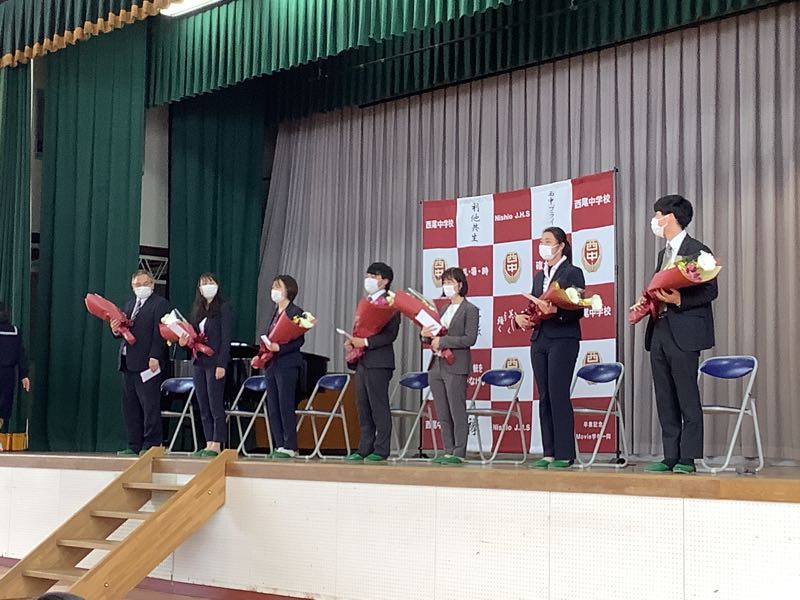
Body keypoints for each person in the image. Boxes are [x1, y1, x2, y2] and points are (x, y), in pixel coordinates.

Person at [643, 195, 718, 474]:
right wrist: (646, 303)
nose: (655, 221)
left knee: (686, 394)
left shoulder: (698, 250)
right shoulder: (662, 254)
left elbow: (710, 291)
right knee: (665, 395)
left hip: (685, 331)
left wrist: (680, 300)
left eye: (657, 215)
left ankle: (688, 458)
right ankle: (670, 455)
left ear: (671, 217)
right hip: (660, 329)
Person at [515, 227, 584, 469]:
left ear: (561, 245)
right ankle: (549, 453)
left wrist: (556, 311)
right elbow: (535, 307)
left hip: (563, 338)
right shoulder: (539, 275)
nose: (543, 245)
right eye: (541, 241)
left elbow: (579, 308)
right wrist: (522, 318)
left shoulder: (573, 272)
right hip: (540, 339)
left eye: (548, 241)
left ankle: (565, 453)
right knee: (544, 395)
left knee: (558, 393)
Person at [343, 262, 401, 462]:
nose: (369, 279)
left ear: (385, 280)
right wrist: (353, 343)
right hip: (362, 361)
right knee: (363, 406)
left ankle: (381, 449)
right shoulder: (366, 302)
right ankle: (364, 448)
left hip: (379, 362)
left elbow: (390, 335)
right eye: (368, 275)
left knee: (378, 406)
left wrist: (366, 342)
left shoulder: (390, 303)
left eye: (374, 276)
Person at [422, 267, 479, 465]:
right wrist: (425, 335)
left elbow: (469, 338)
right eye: (444, 282)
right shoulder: (443, 309)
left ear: (460, 285)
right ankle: (447, 450)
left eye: (450, 282)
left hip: (456, 365)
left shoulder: (470, 309)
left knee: (457, 409)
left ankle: (459, 451)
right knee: (442, 411)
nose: (446, 286)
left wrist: (444, 342)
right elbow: (433, 336)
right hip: (436, 364)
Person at [110, 270, 170, 456]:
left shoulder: (160, 304)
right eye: (137, 285)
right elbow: (122, 330)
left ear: (152, 284)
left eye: (145, 284)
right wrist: (115, 329)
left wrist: (155, 356)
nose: (141, 287)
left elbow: (160, 333)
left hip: (148, 363)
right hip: (128, 361)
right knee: (131, 406)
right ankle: (134, 444)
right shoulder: (129, 305)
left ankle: (152, 443)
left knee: (149, 405)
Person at [180, 273, 232, 458]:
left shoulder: (224, 308)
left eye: (210, 282)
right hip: (199, 362)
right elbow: (193, 336)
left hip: (214, 362)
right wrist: (183, 341)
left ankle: (217, 442)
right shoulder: (198, 310)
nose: (207, 286)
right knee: (203, 404)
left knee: (215, 403)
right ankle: (208, 441)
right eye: (203, 283)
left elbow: (226, 339)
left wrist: (222, 364)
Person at [263, 275, 305, 459]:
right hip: (272, 363)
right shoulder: (274, 313)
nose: (274, 290)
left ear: (288, 289)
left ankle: (290, 445)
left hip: (287, 363)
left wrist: (280, 348)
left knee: (285, 404)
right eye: (273, 286)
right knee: (273, 405)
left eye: (278, 286)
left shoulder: (296, 311)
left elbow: (299, 340)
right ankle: (279, 443)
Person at [0, 302, 31, 442]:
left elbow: (20, 353)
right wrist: (24, 375)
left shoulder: (14, 332)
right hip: (8, 374)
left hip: (7, 372)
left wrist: (24, 374)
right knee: (3, 407)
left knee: (3, 407)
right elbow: (21, 354)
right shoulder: (14, 331)